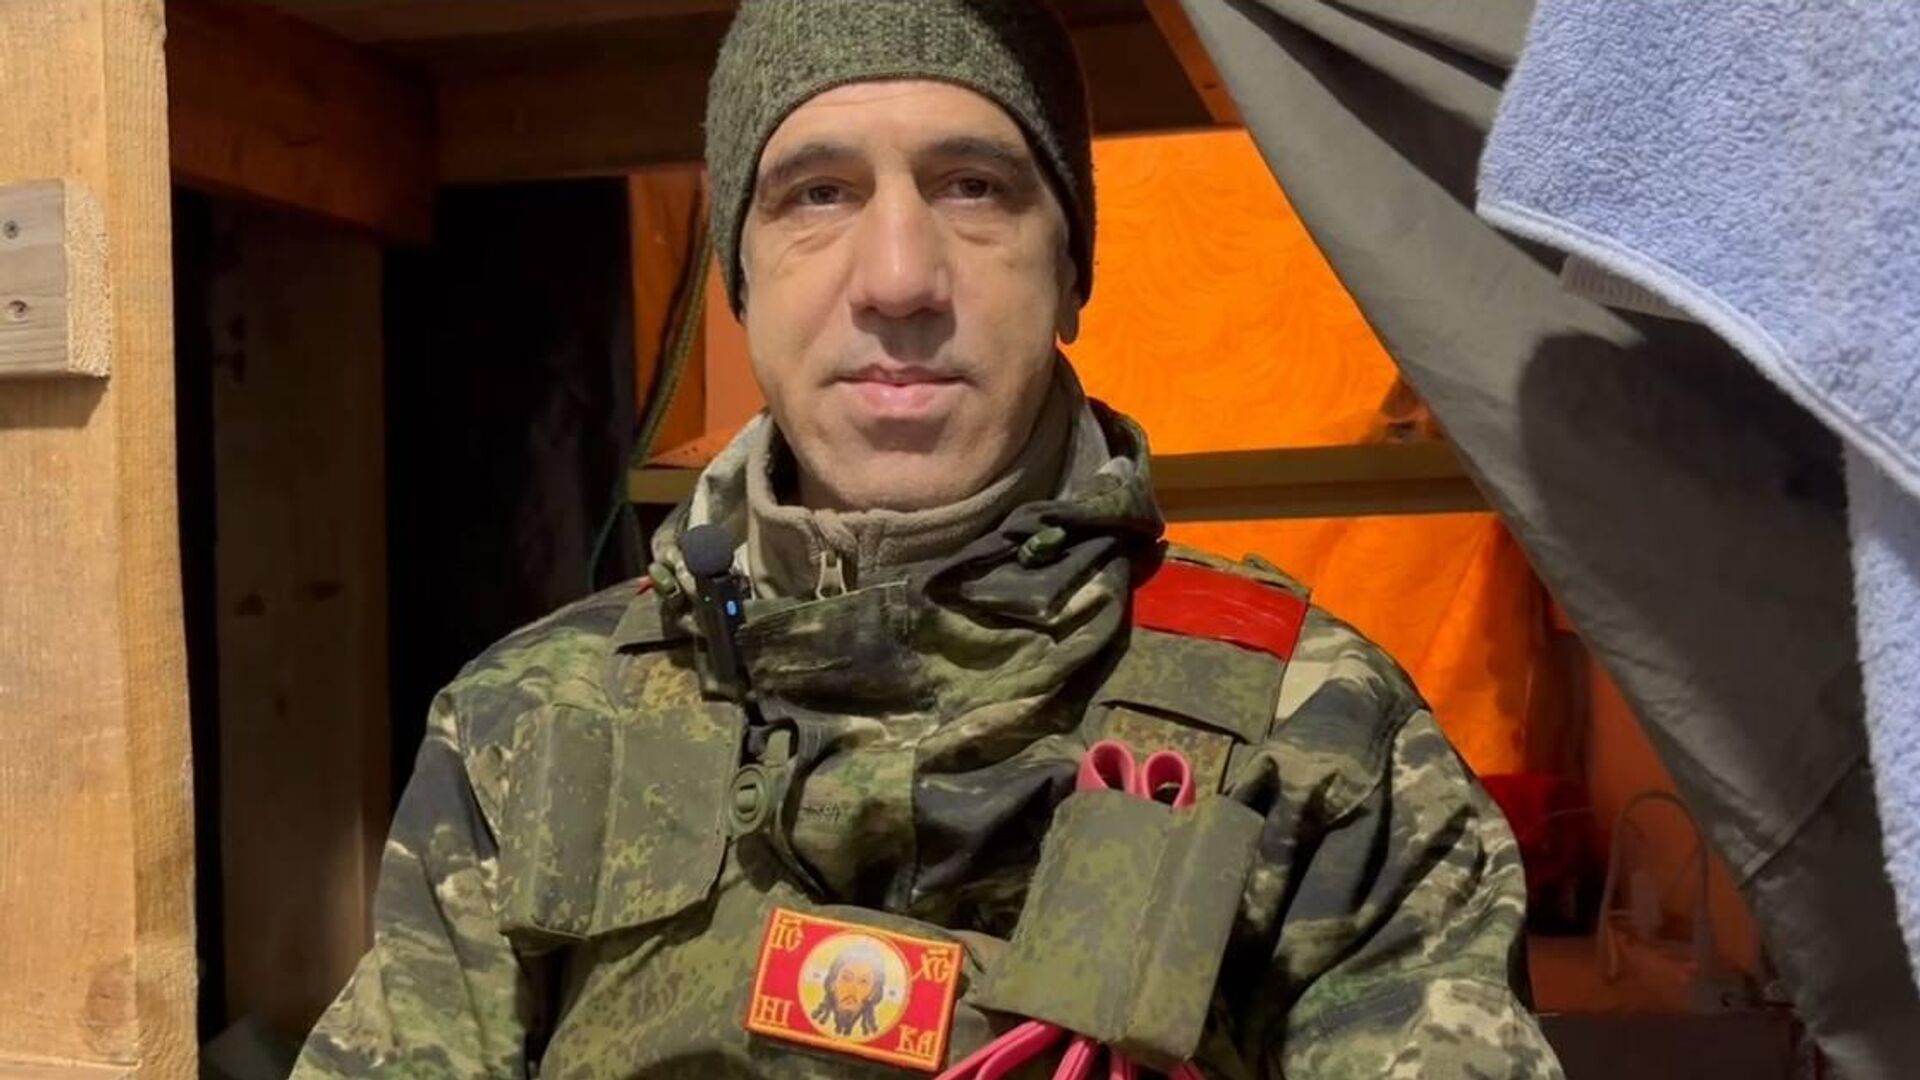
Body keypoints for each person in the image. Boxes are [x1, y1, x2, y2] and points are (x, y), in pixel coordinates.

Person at [290, 1, 1563, 1076]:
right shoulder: (526, 724)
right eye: (818, 193)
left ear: (1072, 270)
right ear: (743, 280)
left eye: (973, 187)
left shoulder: (1319, 732)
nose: (898, 276)